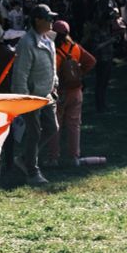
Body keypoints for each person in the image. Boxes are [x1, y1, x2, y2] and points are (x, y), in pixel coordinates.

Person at [10, 4, 59, 185]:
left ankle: (24, 159)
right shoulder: (27, 43)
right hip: (32, 97)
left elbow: (52, 67)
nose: (51, 21)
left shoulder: (49, 40)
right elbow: (20, 73)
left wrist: (54, 85)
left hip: (47, 95)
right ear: (37, 20)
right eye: (48, 18)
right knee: (34, 134)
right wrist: (23, 99)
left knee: (52, 128)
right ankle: (32, 171)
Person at [47, 20, 96, 167]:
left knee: (55, 126)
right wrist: (79, 73)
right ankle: (74, 157)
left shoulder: (52, 51)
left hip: (60, 92)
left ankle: (53, 158)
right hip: (76, 91)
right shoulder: (75, 47)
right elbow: (92, 61)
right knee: (74, 125)